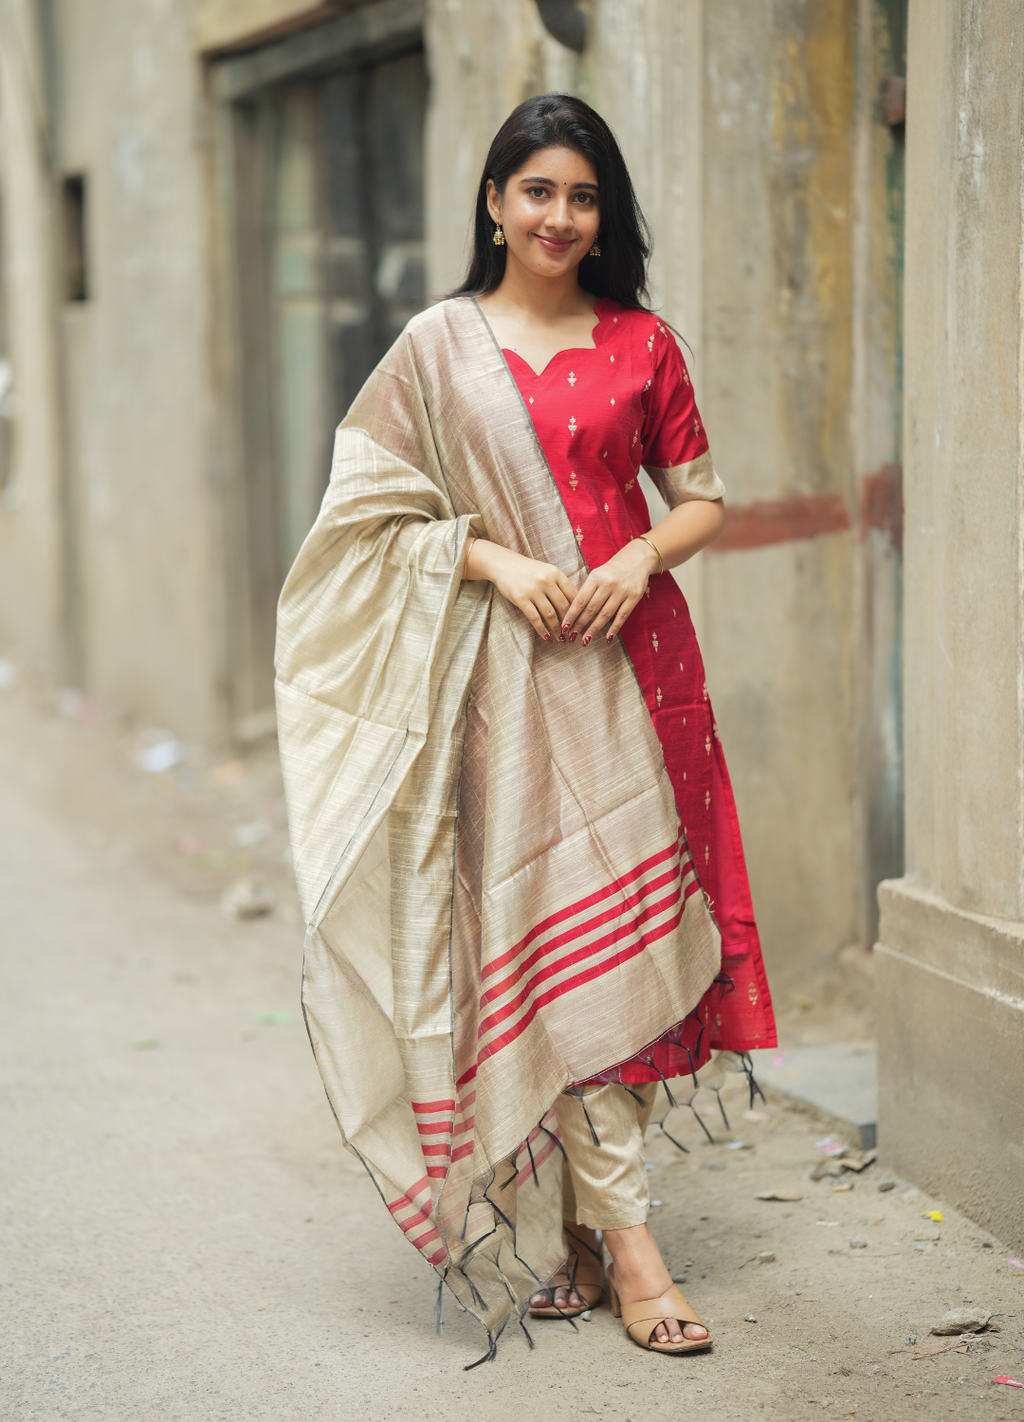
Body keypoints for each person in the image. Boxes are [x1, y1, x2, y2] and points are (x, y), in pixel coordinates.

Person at [275, 93, 775, 1364]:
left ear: (605, 215)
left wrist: (636, 558)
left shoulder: (641, 342)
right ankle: (589, 1235)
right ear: (494, 202)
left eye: (583, 196)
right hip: (496, 686)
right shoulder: (436, 348)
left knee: (614, 945)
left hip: (633, 677)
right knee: (532, 938)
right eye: (538, 190)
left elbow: (701, 499)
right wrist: (492, 557)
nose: (560, 216)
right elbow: (363, 517)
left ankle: (610, 1237)